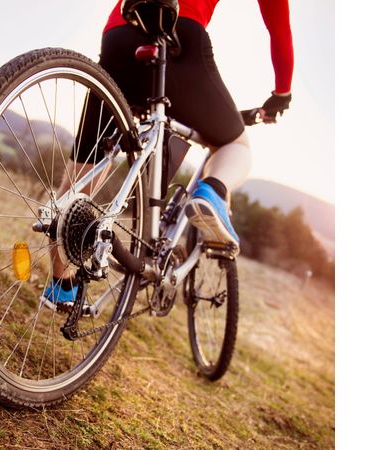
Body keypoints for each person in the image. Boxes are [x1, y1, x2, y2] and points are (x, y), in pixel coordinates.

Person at [43, 0, 294, 307]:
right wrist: (282, 94)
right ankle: (211, 191)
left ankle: (61, 287)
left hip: (120, 34)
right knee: (235, 145)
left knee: (85, 169)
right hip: (178, 38)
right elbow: (278, 27)